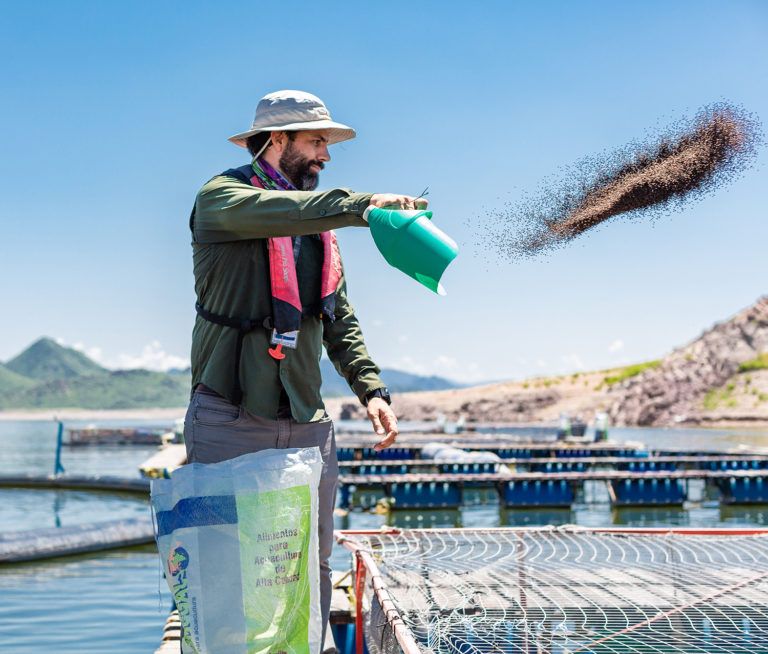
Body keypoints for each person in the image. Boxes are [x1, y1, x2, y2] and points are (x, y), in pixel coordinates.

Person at [184, 89, 427, 648]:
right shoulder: (223, 200)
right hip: (228, 416)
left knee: (308, 569)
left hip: (306, 424)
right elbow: (285, 212)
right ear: (276, 140)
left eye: (327, 142)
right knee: (223, 574)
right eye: (317, 140)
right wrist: (367, 205)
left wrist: (372, 390)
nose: (325, 153)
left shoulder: (320, 231)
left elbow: (338, 318)